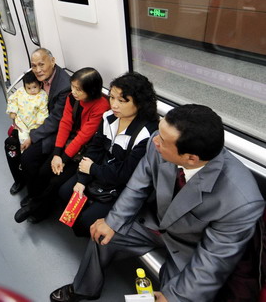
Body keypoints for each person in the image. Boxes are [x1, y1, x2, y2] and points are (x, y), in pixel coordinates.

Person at [50, 104, 265, 302]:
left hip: (191, 249)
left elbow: (213, 261)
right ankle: (83, 288)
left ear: (191, 158)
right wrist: (112, 221)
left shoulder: (242, 202)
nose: (154, 140)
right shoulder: (159, 143)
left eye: (162, 139)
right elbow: (137, 186)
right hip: (154, 222)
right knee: (101, 233)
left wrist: (175, 296)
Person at [58, 72, 159, 237]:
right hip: (99, 170)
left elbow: (125, 173)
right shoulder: (109, 117)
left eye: (122, 100)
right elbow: (95, 148)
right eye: (112, 98)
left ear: (139, 103)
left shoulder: (146, 134)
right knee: (64, 192)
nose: (114, 105)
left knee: (84, 222)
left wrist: (92, 169)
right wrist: (83, 180)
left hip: (119, 186)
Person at [14, 68, 109, 223]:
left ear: (91, 90)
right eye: (73, 87)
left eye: (78, 89)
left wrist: (62, 159)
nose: (74, 92)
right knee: (44, 170)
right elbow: (65, 123)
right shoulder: (72, 98)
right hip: (69, 144)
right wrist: (57, 153)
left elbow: (84, 136)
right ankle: (36, 201)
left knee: (56, 181)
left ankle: (36, 209)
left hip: (85, 151)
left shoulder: (101, 106)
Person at [8, 48, 71, 196]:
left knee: (28, 158)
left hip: (53, 131)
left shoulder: (63, 86)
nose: (37, 70)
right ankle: (20, 179)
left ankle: (33, 194)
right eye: (34, 66)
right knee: (9, 144)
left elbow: (55, 120)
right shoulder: (38, 79)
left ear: (53, 61)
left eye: (41, 65)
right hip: (34, 122)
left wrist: (33, 136)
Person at [6, 71, 49, 143]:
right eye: (28, 88)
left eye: (34, 87)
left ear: (40, 85)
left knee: (32, 139)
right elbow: (12, 99)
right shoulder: (21, 91)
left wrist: (40, 124)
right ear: (24, 86)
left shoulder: (42, 95)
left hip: (34, 124)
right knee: (21, 138)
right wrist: (12, 111)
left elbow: (43, 110)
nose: (32, 90)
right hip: (21, 122)